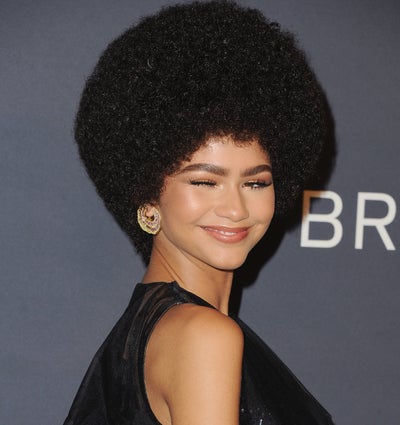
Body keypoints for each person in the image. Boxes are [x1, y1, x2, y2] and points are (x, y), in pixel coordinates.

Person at [64, 1, 335, 424]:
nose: (235, 208)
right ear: (147, 193)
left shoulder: (147, 333)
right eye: (205, 182)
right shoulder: (203, 337)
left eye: (255, 183)